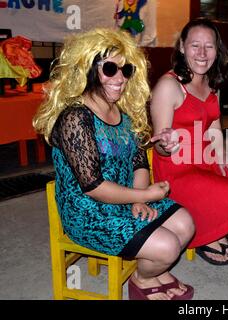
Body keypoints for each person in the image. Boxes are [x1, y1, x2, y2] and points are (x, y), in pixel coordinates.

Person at [32, 28, 195, 300]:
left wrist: (139, 201)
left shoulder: (122, 111)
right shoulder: (75, 117)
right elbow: (93, 186)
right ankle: (142, 279)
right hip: (90, 212)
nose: (120, 78)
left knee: (185, 224)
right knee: (167, 247)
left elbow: (138, 161)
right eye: (110, 69)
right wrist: (144, 195)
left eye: (126, 69)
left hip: (126, 197)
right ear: (86, 68)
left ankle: (152, 271)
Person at [149, 18, 228, 266]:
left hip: (206, 161)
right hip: (177, 170)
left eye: (209, 46)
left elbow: (214, 125)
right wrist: (166, 145)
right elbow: (159, 144)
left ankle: (213, 226)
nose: (202, 53)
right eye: (195, 45)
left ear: (217, 50)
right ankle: (205, 234)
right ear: (182, 47)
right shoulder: (169, 85)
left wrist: (223, 156)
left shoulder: (211, 82)